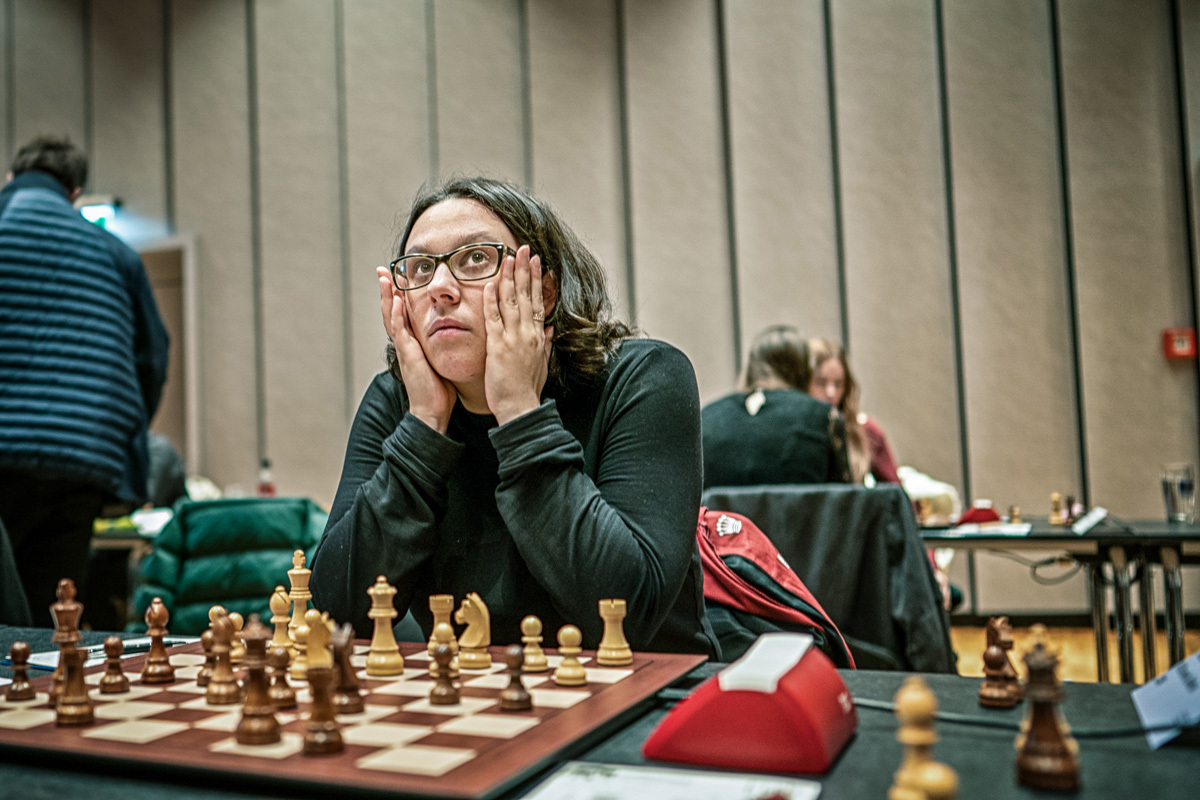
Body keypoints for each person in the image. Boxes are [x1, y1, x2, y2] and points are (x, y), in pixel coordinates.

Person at [310, 177, 717, 656]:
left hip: (646, 687)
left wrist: (520, 412)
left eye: (474, 258)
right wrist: (423, 428)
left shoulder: (645, 378)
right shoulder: (397, 403)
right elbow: (335, 615)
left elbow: (626, 616)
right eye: (420, 268)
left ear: (543, 292)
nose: (439, 288)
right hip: (472, 690)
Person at [0, 135, 169, 624]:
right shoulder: (117, 254)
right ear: (75, 193)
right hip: (82, 459)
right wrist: (121, 438)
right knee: (55, 613)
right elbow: (153, 358)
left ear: (11, 178)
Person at [701, 325, 851, 488]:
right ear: (804, 370)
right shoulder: (823, 416)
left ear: (751, 367)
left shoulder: (705, 418)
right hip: (799, 506)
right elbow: (844, 498)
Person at [806, 337, 901, 485]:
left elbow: (895, 492)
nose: (831, 393)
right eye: (821, 382)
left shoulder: (866, 430)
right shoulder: (793, 432)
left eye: (838, 384)